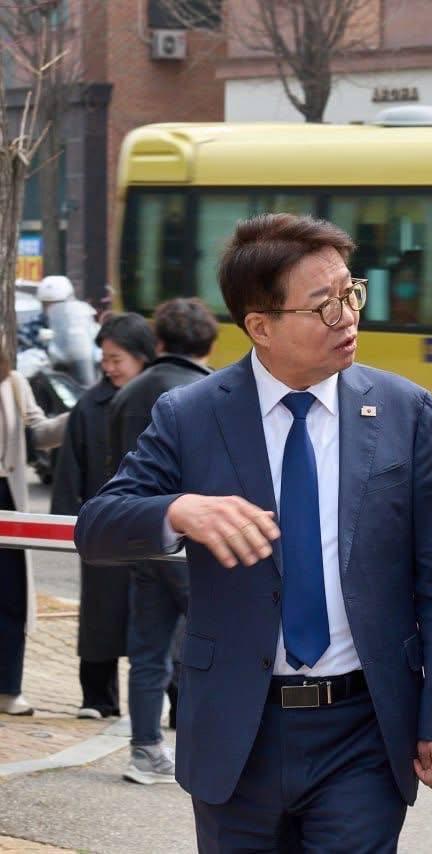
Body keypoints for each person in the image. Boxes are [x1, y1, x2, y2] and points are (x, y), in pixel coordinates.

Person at [75, 212, 432, 849]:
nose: (347, 317)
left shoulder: (403, 410)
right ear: (260, 326)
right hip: (240, 727)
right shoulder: (193, 414)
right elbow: (96, 527)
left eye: (351, 294)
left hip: (363, 729)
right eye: (324, 306)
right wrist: (178, 511)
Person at [105, 298, 219, 784]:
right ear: (211, 342)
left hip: (142, 537)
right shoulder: (205, 395)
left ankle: (145, 750)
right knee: (213, 645)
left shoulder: (128, 394)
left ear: (158, 343)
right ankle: (207, 747)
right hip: (193, 544)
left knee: (148, 651)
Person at [51, 312, 157, 720]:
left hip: (154, 527)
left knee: (160, 620)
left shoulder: (165, 400)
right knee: (100, 616)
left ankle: (176, 701)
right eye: (105, 359)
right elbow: (70, 468)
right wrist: (66, 523)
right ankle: (97, 698)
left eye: (118, 359)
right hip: (105, 529)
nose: (109, 367)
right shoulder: (89, 405)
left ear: (141, 357)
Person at [0, 355, 69, 717]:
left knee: (11, 596)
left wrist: (75, 418)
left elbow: (38, 434)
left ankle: (9, 687)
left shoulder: (13, 382)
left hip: (7, 496)